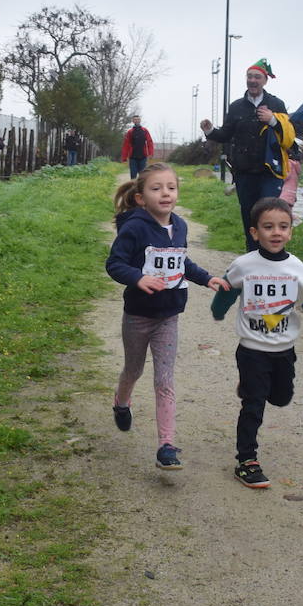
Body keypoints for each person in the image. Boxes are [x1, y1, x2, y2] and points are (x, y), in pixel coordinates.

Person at [105, 164, 228, 470]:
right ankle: (121, 402)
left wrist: (207, 278)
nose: (165, 194)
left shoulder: (181, 226)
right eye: (156, 188)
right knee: (133, 370)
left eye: (171, 188)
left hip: (168, 315)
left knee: (164, 380)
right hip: (138, 315)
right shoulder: (134, 228)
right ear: (141, 197)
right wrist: (138, 278)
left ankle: (167, 446)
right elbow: (114, 264)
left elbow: (182, 262)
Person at [211, 198, 303, 488]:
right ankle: (246, 461)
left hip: (283, 351)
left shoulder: (296, 269)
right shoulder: (244, 264)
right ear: (255, 233)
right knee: (254, 404)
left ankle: (255, 387)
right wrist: (218, 310)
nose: (276, 232)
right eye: (268, 227)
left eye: (283, 227)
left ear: (290, 231)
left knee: (280, 397)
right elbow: (228, 289)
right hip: (251, 350)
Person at [200, 59, 295, 250]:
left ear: (265, 80)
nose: (252, 80)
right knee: (249, 216)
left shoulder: (276, 104)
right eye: (249, 76)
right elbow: (226, 134)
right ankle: (252, 255)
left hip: (270, 171)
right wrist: (210, 130)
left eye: (257, 77)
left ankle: (273, 253)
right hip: (244, 172)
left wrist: (273, 120)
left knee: (269, 213)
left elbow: (290, 137)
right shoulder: (236, 107)